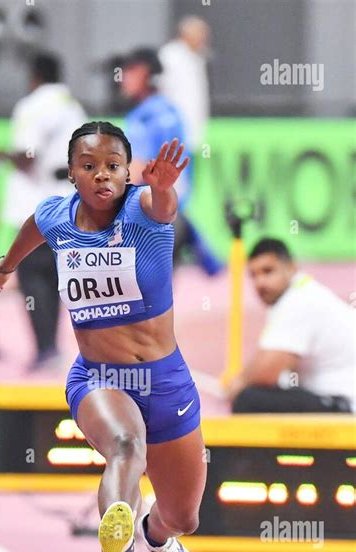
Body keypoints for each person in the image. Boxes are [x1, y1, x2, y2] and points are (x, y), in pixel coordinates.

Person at [0, 121, 206, 552]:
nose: (102, 176)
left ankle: (157, 538)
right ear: (71, 173)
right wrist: (3, 269)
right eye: (89, 166)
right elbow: (32, 230)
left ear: (127, 173)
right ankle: (116, 541)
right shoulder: (56, 217)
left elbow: (164, 205)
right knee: (126, 447)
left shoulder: (144, 209)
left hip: (165, 383)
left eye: (112, 166)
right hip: (100, 378)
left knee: (184, 515)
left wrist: (163, 188)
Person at [0, 52, 86, 371]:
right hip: (68, 201)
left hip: (37, 201)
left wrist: (2, 156)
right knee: (56, 276)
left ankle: (44, 348)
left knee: (32, 275)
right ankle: (53, 345)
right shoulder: (74, 107)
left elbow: (27, 156)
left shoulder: (32, 107)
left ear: (34, 76)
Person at [119, 47, 222, 275]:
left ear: (144, 73)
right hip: (171, 217)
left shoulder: (146, 117)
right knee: (158, 303)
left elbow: (136, 171)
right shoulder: (171, 112)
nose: (122, 78)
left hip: (149, 221)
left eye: (129, 71)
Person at [228, 238, 355, 413]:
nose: (260, 282)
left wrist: (238, 382)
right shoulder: (300, 293)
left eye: (268, 271)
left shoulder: (299, 301)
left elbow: (267, 371)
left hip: (344, 404)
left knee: (247, 399)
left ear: (292, 267)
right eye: (253, 275)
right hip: (332, 397)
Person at [159, 16, 211, 153]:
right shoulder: (171, 56)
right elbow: (160, 90)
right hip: (172, 130)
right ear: (186, 34)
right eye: (200, 34)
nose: (203, 39)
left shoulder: (197, 58)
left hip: (190, 130)